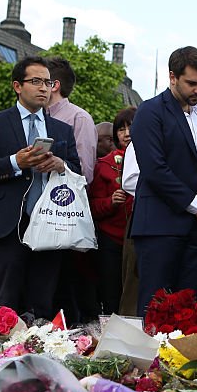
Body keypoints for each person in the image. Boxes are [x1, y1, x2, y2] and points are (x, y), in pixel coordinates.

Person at [0, 56, 81, 319]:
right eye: (36, 81)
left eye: (48, 82)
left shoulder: (61, 129)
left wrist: (60, 165)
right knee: (5, 304)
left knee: (42, 304)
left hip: (51, 225)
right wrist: (14, 162)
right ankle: (0, 357)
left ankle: (36, 353)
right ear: (18, 86)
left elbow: (79, 170)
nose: (44, 88)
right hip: (8, 225)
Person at [129, 46, 197, 315]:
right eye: (192, 83)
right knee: (155, 309)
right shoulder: (150, 112)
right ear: (172, 77)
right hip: (161, 227)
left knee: (189, 312)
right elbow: (155, 170)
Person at [46, 56, 99, 322]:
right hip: (33, 218)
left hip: (62, 217)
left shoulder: (79, 118)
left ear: (53, 84)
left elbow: (84, 173)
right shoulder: (35, 116)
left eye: (39, 81)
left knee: (65, 292)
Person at [88, 107, 135, 315]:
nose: (126, 133)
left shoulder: (153, 161)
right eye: (121, 129)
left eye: (131, 127)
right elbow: (92, 207)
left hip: (140, 242)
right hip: (111, 242)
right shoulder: (104, 165)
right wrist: (110, 202)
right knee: (111, 297)